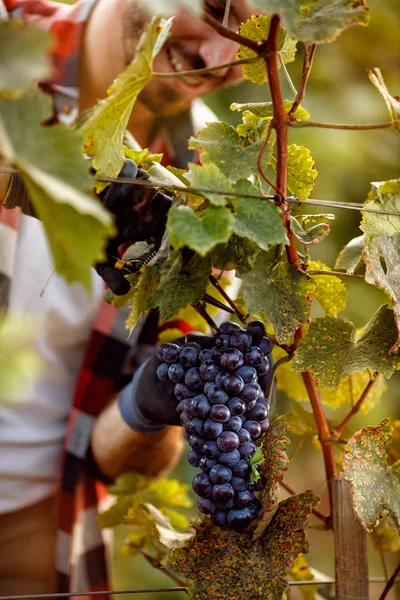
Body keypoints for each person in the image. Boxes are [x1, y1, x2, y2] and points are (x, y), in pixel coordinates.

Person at [0, 0, 257, 596]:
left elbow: (123, 462)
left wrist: (153, 401)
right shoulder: (12, 48)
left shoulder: (214, 187)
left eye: (256, 42)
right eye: (218, 8)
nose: (223, 59)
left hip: (41, 527)